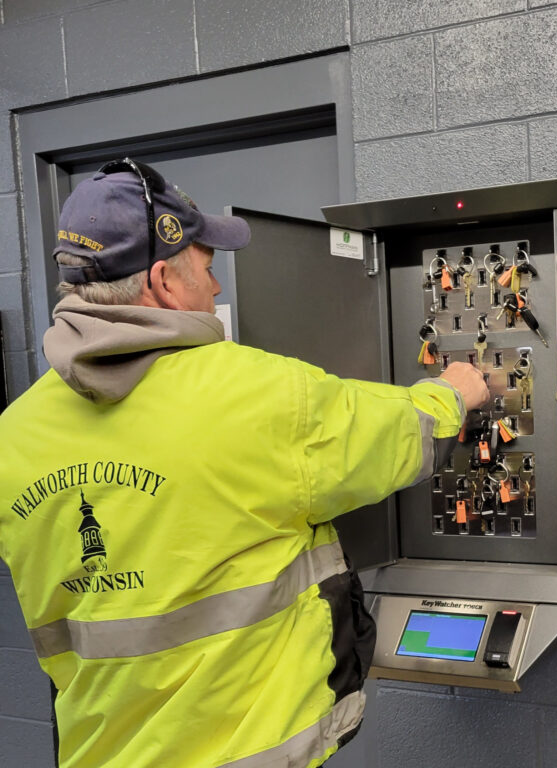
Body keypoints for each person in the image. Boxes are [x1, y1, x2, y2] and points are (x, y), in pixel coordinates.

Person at [0, 159, 488, 768]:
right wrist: (455, 391)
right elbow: (394, 434)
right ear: (163, 282)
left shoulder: (13, 434)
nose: (219, 287)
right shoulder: (255, 396)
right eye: (207, 268)